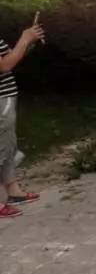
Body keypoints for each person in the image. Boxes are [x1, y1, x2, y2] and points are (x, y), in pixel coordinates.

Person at [1, 21, 46, 218]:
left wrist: (28, 42)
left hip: (6, 99)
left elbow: (10, 57)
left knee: (9, 146)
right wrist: (25, 38)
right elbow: (5, 65)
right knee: (1, 147)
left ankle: (14, 192)